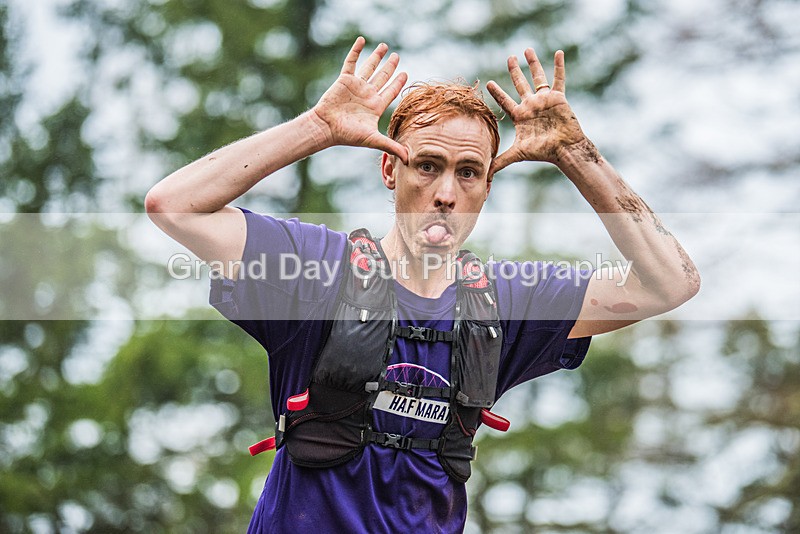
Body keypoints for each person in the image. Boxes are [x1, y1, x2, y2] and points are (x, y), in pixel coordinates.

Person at [145, 37, 699, 533]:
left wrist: (573, 153)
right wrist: (318, 127)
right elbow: (175, 206)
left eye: (467, 172)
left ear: (486, 187)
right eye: (427, 165)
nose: (445, 192)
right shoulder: (314, 269)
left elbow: (671, 283)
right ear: (390, 170)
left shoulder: (506, 301)